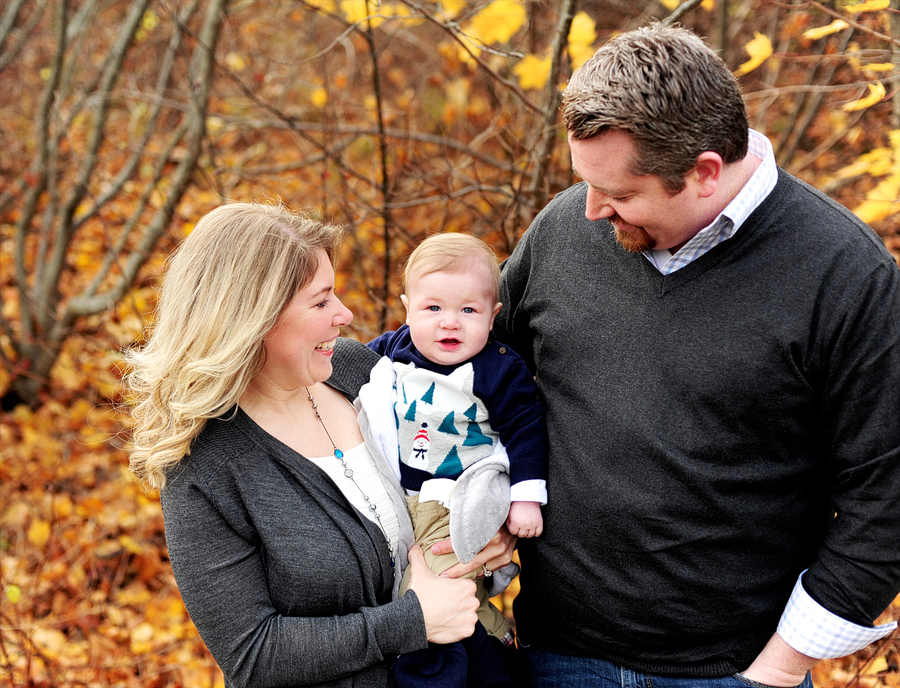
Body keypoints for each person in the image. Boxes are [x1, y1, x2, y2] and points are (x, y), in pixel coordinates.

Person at [492, 22, 900, 688]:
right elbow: (478, 375)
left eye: (621, 195)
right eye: (585, 184)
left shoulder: (844, 274)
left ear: (705, 172)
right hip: (554, 655)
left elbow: (885, 497)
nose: (590, 211)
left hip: (731, 669)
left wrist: (776, 669)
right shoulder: (565, 230)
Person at [125, 202, 516, 688]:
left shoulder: (360, 373)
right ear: (255, 317)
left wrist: (489, 527)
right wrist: (410, 622)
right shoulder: (204, 464)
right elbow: (252, 654)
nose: (344, 314)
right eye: (321, 301)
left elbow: (463, 446)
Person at [360, 233, 548, 686]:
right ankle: (494, 634)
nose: (450, 324)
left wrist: (526, 498)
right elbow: (348, 375)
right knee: (413, 582)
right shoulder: (395, 348)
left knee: (433, 590)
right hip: (402, 498)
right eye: (433, 309)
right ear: (407, 308)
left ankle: (439, 670)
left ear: (493, 315)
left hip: (460, 501)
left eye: (468, 310)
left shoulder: (497, 369)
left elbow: (526, 430)